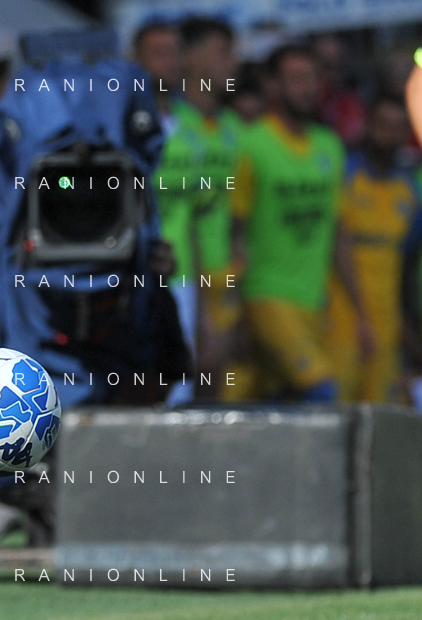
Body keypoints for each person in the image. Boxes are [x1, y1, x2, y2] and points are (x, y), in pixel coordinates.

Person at [231, 44, 371, 402]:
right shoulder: (251, 145)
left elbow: (338, 234)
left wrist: (360, 311)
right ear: (273, 85)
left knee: (277, 400)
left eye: (312, 78)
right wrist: (235, 312)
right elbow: (235, 235)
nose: (307, 88)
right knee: (323, 392)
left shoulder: (329, 146)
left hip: (313, 301)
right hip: (266, 295)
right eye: (296, 79)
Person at [152, 17, 244, 404]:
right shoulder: (167, 125)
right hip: (173, 274)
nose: (233, 62)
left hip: (218, 275)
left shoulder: (232, 128)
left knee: (215, 387)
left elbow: (227, 210)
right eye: (222, 52)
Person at [322, 96, 422, 403]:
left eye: (397, 128)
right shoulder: (344, 175)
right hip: (341, 317)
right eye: (382, 126)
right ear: (367, 126)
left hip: (386, 324)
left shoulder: (409, 191)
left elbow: (407, 267)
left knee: (381, 413)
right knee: (337, 408)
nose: (388, 135)